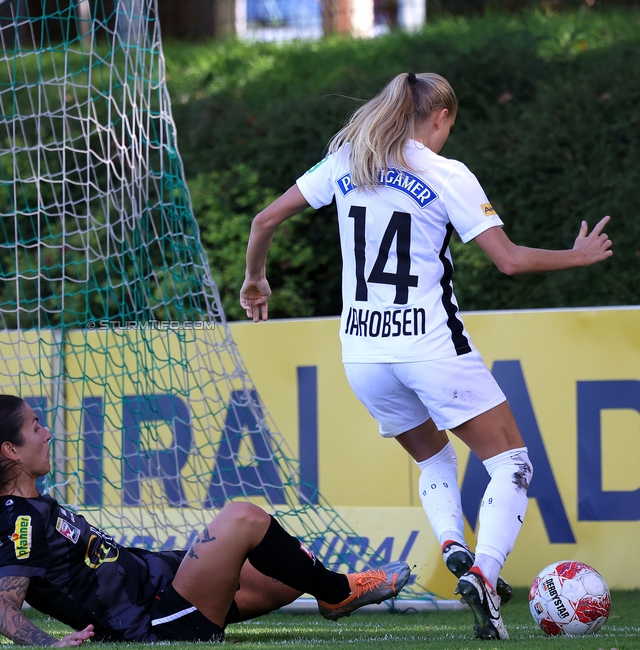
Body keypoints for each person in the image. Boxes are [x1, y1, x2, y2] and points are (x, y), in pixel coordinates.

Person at [240, 72, 613, 640]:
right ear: (440, 117)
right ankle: (485, 573)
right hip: (430, 345)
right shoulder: (444, 173)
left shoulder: (350, 160)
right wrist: (577, 256)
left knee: (433, 460)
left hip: (363, 353)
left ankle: (455, 549)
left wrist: (255, 280)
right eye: (449, 127)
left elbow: (263, 219)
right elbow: (509, 261)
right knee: (511, 463)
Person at [0, 395, 411, 645]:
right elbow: (3, 614)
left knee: (290, 569)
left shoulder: (17, 512)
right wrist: (53, 644)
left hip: (166, 583)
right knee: (243, 517)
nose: (47, 432)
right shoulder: (20, 522)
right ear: (11, 450)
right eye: (36, 427)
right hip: (158, 620)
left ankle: (324, 588)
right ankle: (338, 592)